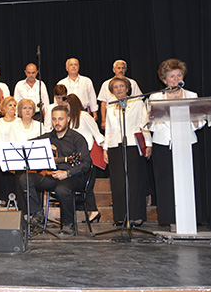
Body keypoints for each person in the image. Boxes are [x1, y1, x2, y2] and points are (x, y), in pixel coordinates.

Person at [18, 106, 91, 236]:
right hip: (53, 177)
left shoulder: (77, 138)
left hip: (74, 177)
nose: (57, 122)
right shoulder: (48, 137)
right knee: (25, 178)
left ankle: (68, 225)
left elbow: (86, 163)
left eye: (61, 119)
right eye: (54, 119)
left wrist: (67, 173)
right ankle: (37, 213)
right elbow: (26, 146)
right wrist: (42, 147)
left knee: (62, 189)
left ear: (68, 119)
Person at [149, 58, 205, 226]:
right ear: (164, 79)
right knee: (166, 183)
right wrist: (152, 120)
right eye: (171, 76)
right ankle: (170, 220)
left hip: (187, 143)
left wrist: (196, 121)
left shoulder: (191, 95)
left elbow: (200, 119)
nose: (175, 79)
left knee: (188, 182)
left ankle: (190, 219)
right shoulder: (155, 97)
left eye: (178, 75)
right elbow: (149, 123)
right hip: (163, 144)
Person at [103, 76, 151, 225]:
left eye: (121, 86)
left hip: (132, 144)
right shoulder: (110, 106)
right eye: (115, 87)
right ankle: (121, 216)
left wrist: (148, 144)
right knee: (118, 183)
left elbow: (144, 124)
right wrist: (105, 148)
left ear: (127, 88)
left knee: (134, 181)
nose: (119, 89)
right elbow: (108, 129)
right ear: (112, 91)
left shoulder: (137, 103)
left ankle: (136, 216)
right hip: (114, 146)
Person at [65, 94, 105, 223]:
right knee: (76, 185)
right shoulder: (69, 119)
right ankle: (89, 211)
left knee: (86, 185)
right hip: (73, 157)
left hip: (86, 155)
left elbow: (97, 133)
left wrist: (105, 149)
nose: (65, 108)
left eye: (67, 105)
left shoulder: (84, 116)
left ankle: (93, 211)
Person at [98, 60, 143, 130]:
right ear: (114, 70)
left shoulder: (132, 83)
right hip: (113, 116)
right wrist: (103, 120)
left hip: (130, 116)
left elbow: (139, 100)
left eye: (123, 68)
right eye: (119, 68)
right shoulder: (106, 84)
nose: (121, 70)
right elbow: (103, 103)